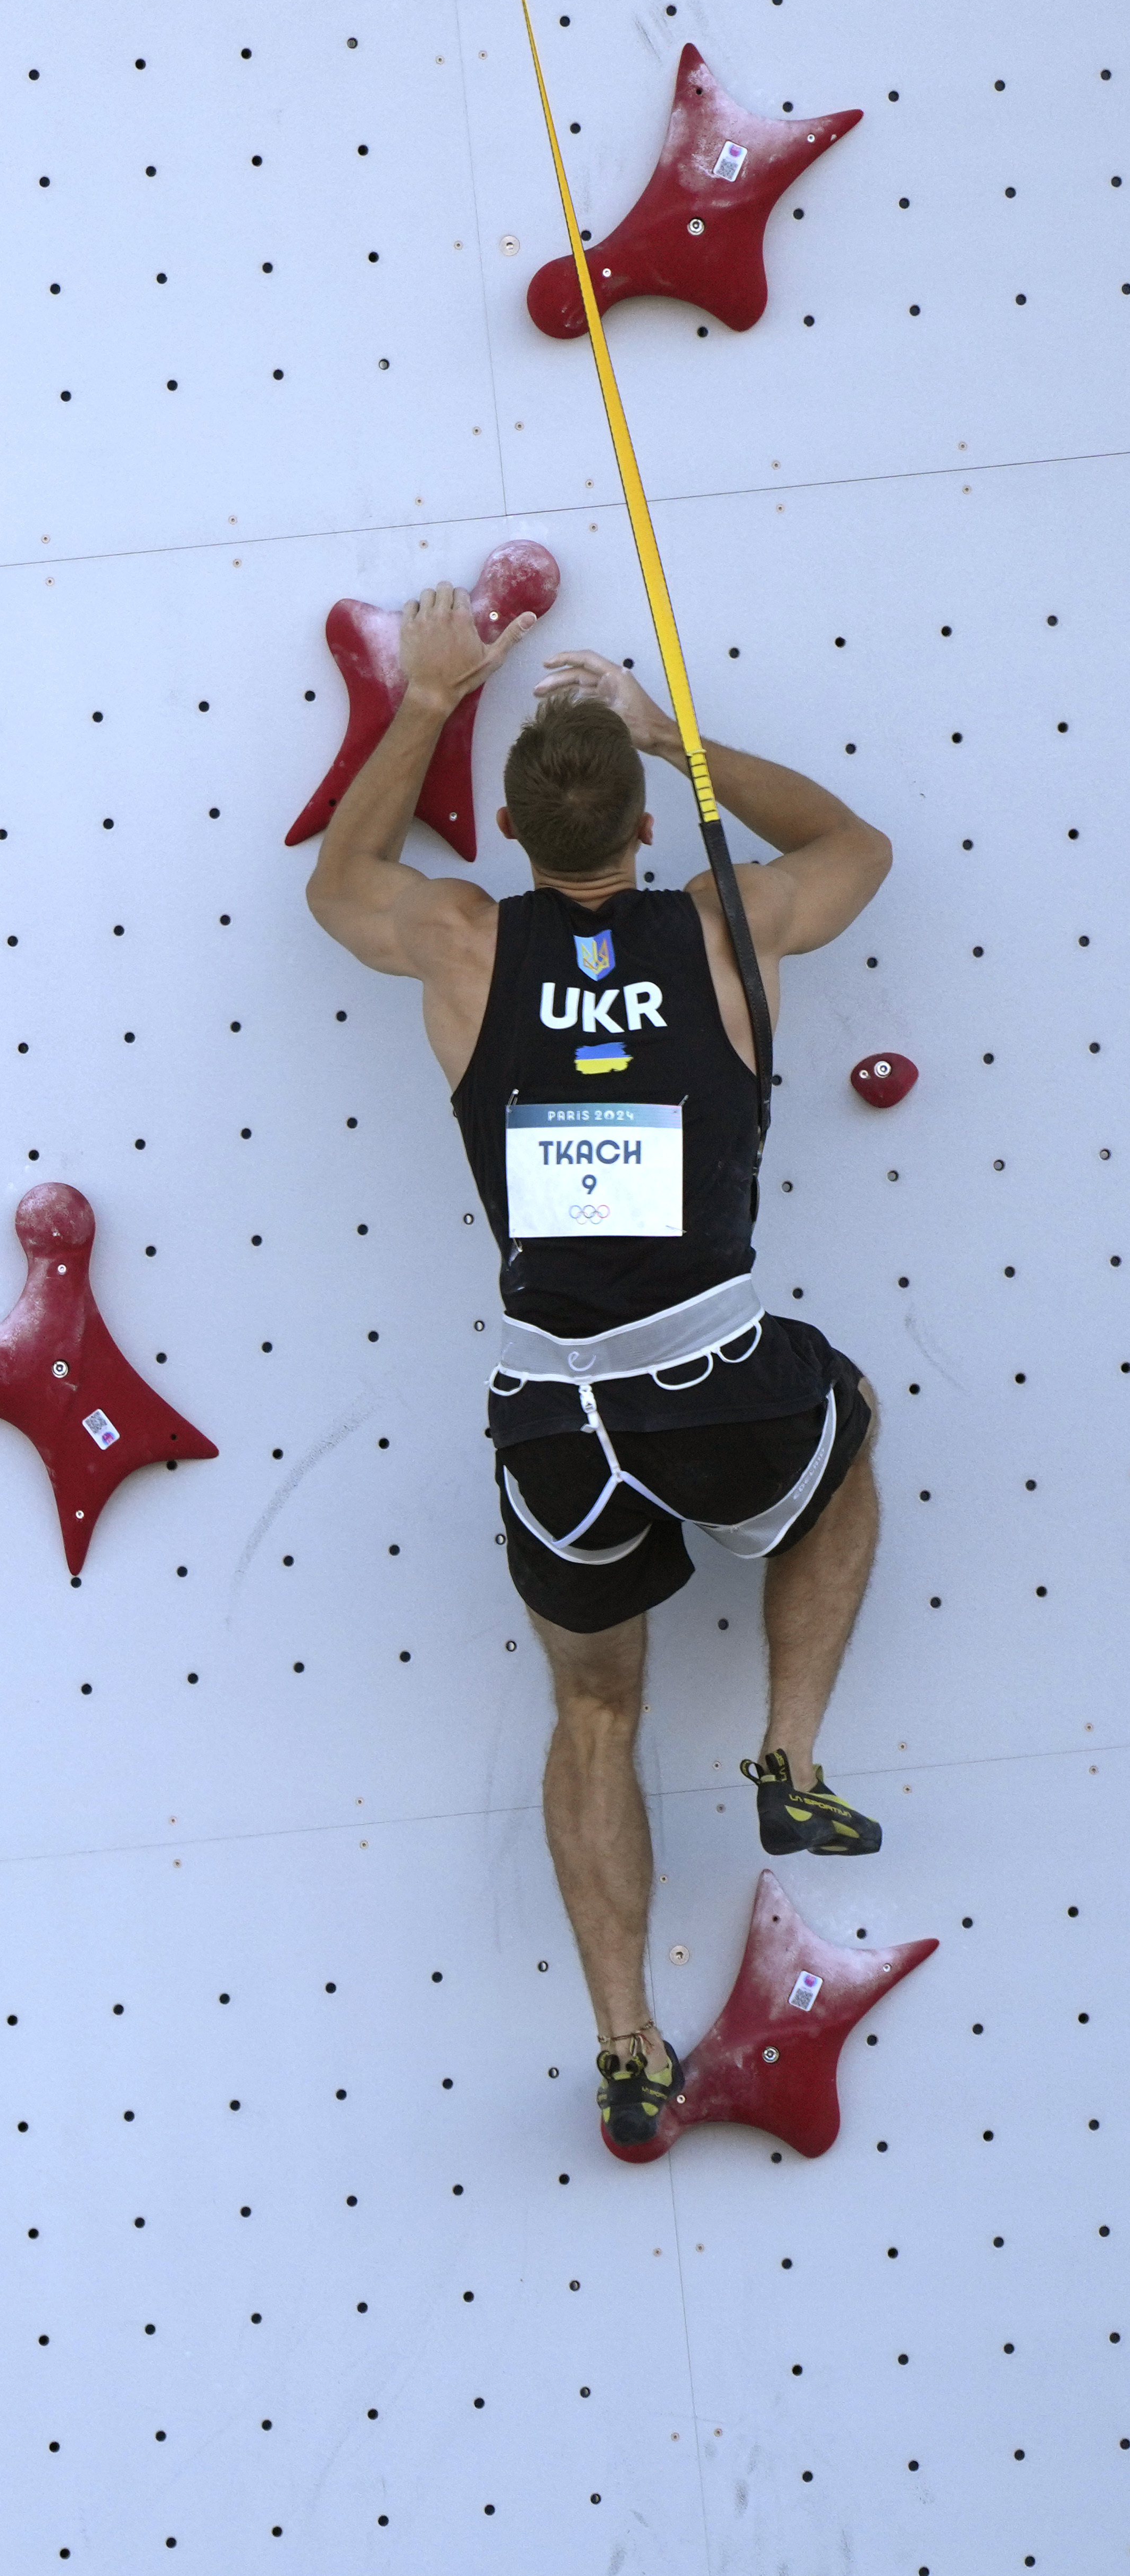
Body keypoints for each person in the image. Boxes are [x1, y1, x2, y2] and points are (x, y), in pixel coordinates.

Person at [305, 587, 895, 2150]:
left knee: (593, 1714)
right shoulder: (724, 924)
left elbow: (335, 886)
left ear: (502, 826)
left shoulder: (456, 935)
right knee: (844, 1433)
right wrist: (678, 740)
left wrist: (428, 698)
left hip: (554, 1410)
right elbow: (858, 851)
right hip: (716, 1371)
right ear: (643, 820)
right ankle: (791, 1750)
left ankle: (626, 2043)